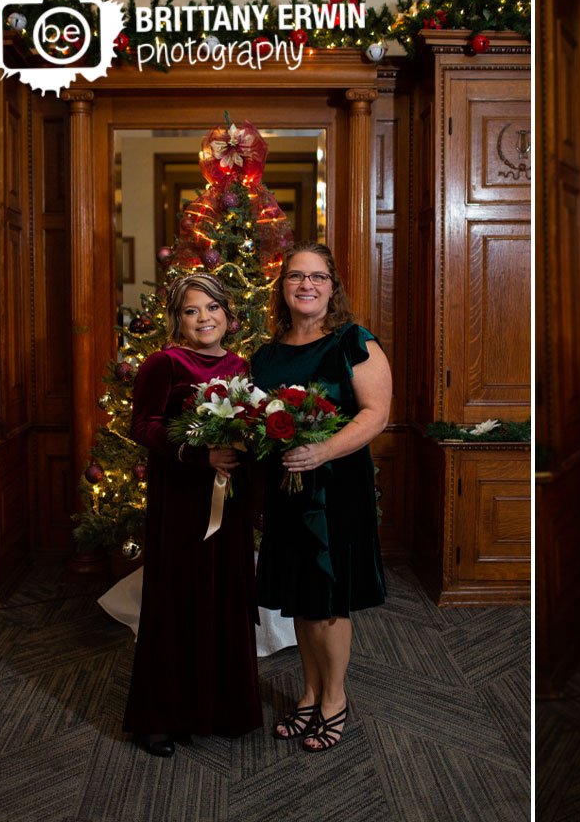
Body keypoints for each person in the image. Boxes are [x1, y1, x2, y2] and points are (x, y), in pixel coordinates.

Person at [250, 242, 392, 753]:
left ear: (333, 287)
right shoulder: (264, 354)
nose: (306, 285)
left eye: (317, 277)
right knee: (301, 599)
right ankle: (308, 691)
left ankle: (334, 699)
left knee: (328, 600)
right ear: (282, 287)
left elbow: (375, 413)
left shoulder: (354, 342)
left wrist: (322, 450)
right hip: (285, 490)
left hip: (335, 491)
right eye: (295, 277)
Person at [124, 273, 263, 757]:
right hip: (182, 503)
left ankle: (219, 708)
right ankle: (158, 718)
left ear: (228, 313)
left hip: (230, 505)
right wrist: (197, 455)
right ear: (177, 319)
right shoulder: (163, 363)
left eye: (212, 308)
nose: (204, 318)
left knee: (223, 597)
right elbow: (143, 425)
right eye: (191, 310)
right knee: (177, 601)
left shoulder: (240, 364)